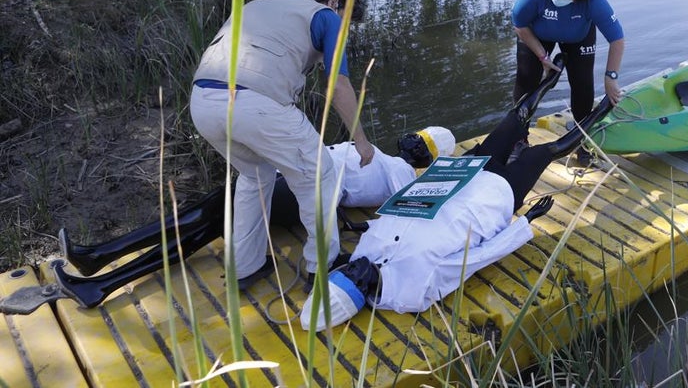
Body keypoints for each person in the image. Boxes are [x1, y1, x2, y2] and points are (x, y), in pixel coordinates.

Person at [300, 57, 615, 330]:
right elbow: (476, 260)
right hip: (490, 201)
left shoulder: (362, 257)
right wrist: (523, 223)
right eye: (353, 274)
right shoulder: (413, 291)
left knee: (513, 121)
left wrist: (360, 226)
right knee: (550, 150)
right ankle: (604, 109)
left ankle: (549, 81)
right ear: (359, 290)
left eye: (346, 269)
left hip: (458, 179)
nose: (354, 263)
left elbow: (393, 216)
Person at [50, 129, 457, 309]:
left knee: (208, 213)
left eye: (420, 143)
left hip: (295, 191)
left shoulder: (399, 175)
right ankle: (100, 273)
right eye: (415, 136)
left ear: (425, 157)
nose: (409, 141)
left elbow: (361, 199)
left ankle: (101, 265)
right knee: (206, 220)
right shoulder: (382, 157)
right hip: (288, 176)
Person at [189, 0, 376, 290]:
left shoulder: (267, 5)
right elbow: (338, 84)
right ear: (333, 3)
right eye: (348, 22)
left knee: (254, 176)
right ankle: (324, 266)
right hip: (252, 102)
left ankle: (245, 268)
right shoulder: (327, 16)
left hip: (202, 102)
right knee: (318, 172)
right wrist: (361, 140)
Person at [511, 0, 625, 123]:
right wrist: (542, 56)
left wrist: (611, 77)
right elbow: (519, 24)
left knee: (583, 83)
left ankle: (582, 138)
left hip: (579, 36)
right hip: (536, 35)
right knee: (526, 81)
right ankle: (518, 137)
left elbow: (617, 39)